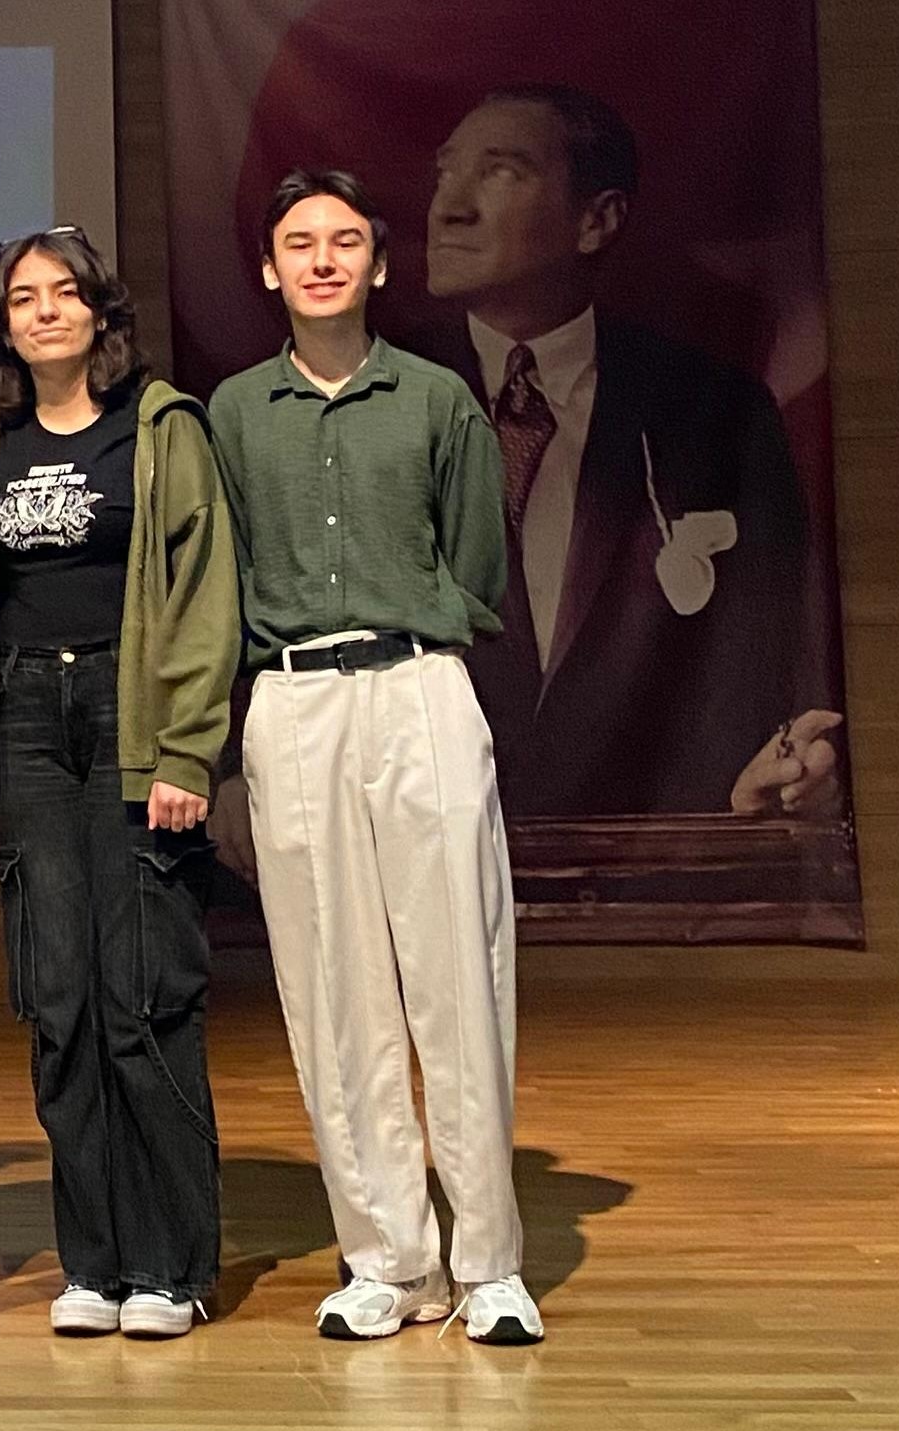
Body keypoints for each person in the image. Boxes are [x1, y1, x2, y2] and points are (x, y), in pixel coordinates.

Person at [208, 169, 541, 1345]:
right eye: (299, 242)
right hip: (293, 702)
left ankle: (490, 1259)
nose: (322, 260)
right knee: (331, 984)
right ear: (269, 267)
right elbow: (226, 572)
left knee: (458, 968)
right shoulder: (234, 411)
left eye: (346, 240)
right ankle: (387, 1257)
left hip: (419, 688)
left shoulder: (439, 397)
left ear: (378, 263)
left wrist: (423, 618)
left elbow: (479, 568)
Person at [423, 85, 841, 817]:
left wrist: (768, 772)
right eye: (445, 173)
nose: (448, 207)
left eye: (499, 172)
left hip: (654, 879)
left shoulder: (716, 413)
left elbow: (766, 657)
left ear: (598, 219)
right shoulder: (373, 405)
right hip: (428, 866)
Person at [0, 227, 237, 1338]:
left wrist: (186, 751)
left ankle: (172, 1264)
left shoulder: (162, 427)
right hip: (28, 718)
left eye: (63, 293)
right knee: (59, 998)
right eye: (22, 298)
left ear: (100, 313)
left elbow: (208, 593)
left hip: (130, 712)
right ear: (4, 324)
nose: (44, 312)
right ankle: (93, 1261)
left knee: (142, 995)